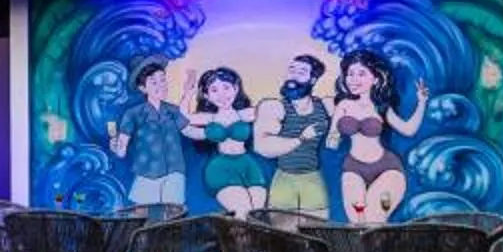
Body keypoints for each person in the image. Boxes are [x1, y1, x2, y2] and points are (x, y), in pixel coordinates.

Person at [334, 48, 427, 222]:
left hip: (387, 168)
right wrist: (332, 137)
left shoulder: (381, 107)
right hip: (353, 168)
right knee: (357, 221)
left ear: (375, 79)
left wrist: (421, 103)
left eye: (361, 74)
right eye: (350, 74)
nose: (354, 79)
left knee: (374, 218)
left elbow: (409, 130)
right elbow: (332, 137)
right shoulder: (343, 105)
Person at [181, 66, 269, 218]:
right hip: (221, 168)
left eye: (226, 87)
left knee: (256, 214)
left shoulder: (245, 114)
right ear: (207, 96)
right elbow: (183, 118)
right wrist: (189, 92)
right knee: (242, 211)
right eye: (214, 90)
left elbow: (271, 109)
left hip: (248, 166)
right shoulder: (209, 118)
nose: (222, 95)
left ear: (236, 89)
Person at [253, 53, 334, 218]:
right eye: (291, 70)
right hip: (284, 178)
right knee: (283, 237)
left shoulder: (325, 105)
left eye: (302, 72)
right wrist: (301, 138)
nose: (293, 76)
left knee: (317, 235)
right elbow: (262, 147)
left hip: (313, 178)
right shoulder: (273, 107)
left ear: (312, 80)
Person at [108, 58, 189, 208]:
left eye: (163, 80)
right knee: (143, 218)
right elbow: (121, 151)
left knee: (173, 217)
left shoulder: (172, 110)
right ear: (142, 88)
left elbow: (189, 130)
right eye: (154, 82)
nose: (161, 86)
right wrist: (115, 146)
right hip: (146, 173)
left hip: (175, 172)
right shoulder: (133, 114)